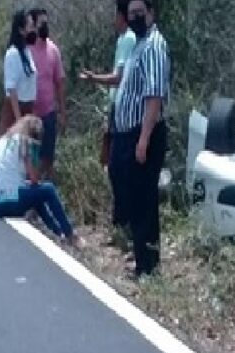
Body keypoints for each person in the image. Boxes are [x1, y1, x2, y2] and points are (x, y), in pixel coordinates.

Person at [113, 0, 170, 278]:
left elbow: (154, 97)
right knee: (134, 198)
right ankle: (140, 258)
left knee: (144, 200)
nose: (135, 18)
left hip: (144, 134)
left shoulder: (155, 46)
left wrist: (144, 139)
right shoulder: (139, 44)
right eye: (131, 14)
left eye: (140, 13)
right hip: (129, 134)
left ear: (151, 13)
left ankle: (148, 266)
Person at [79, 0, 137, 231]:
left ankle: (124, 219)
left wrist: (94, 78)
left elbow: (119, 77)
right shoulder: (122, 40)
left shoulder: (129, 39)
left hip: (123, 110)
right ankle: (120, 218)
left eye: (116, 15)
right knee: (111, 164)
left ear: (123, 17)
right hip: (115, 107)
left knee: (118, 166)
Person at [0, 114, 81, 246]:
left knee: (36, 193)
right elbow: (33, 177)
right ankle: (69, 233)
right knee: (47, 190)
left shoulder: (4, 140)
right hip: (11, 202)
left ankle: (58, 232)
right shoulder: (25, 141)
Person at [28, 7, 67, 180]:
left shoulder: (53, 50)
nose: (45, 26)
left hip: (48, 114)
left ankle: (46, 192)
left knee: (48, 157)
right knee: (31, 157)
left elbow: (59, 83)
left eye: (46, 23)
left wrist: (62, 112)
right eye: (42, 23)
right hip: (30, 116)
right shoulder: (26, 51)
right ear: (34, 25)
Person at [0, 9, 38, 136]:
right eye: (31, 26)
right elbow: (11, 89)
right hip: (15, 111)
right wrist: (19, 120)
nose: (34, 30)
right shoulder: (13, 54)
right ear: (21, 30)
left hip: (28, 108)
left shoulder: (27, 51)